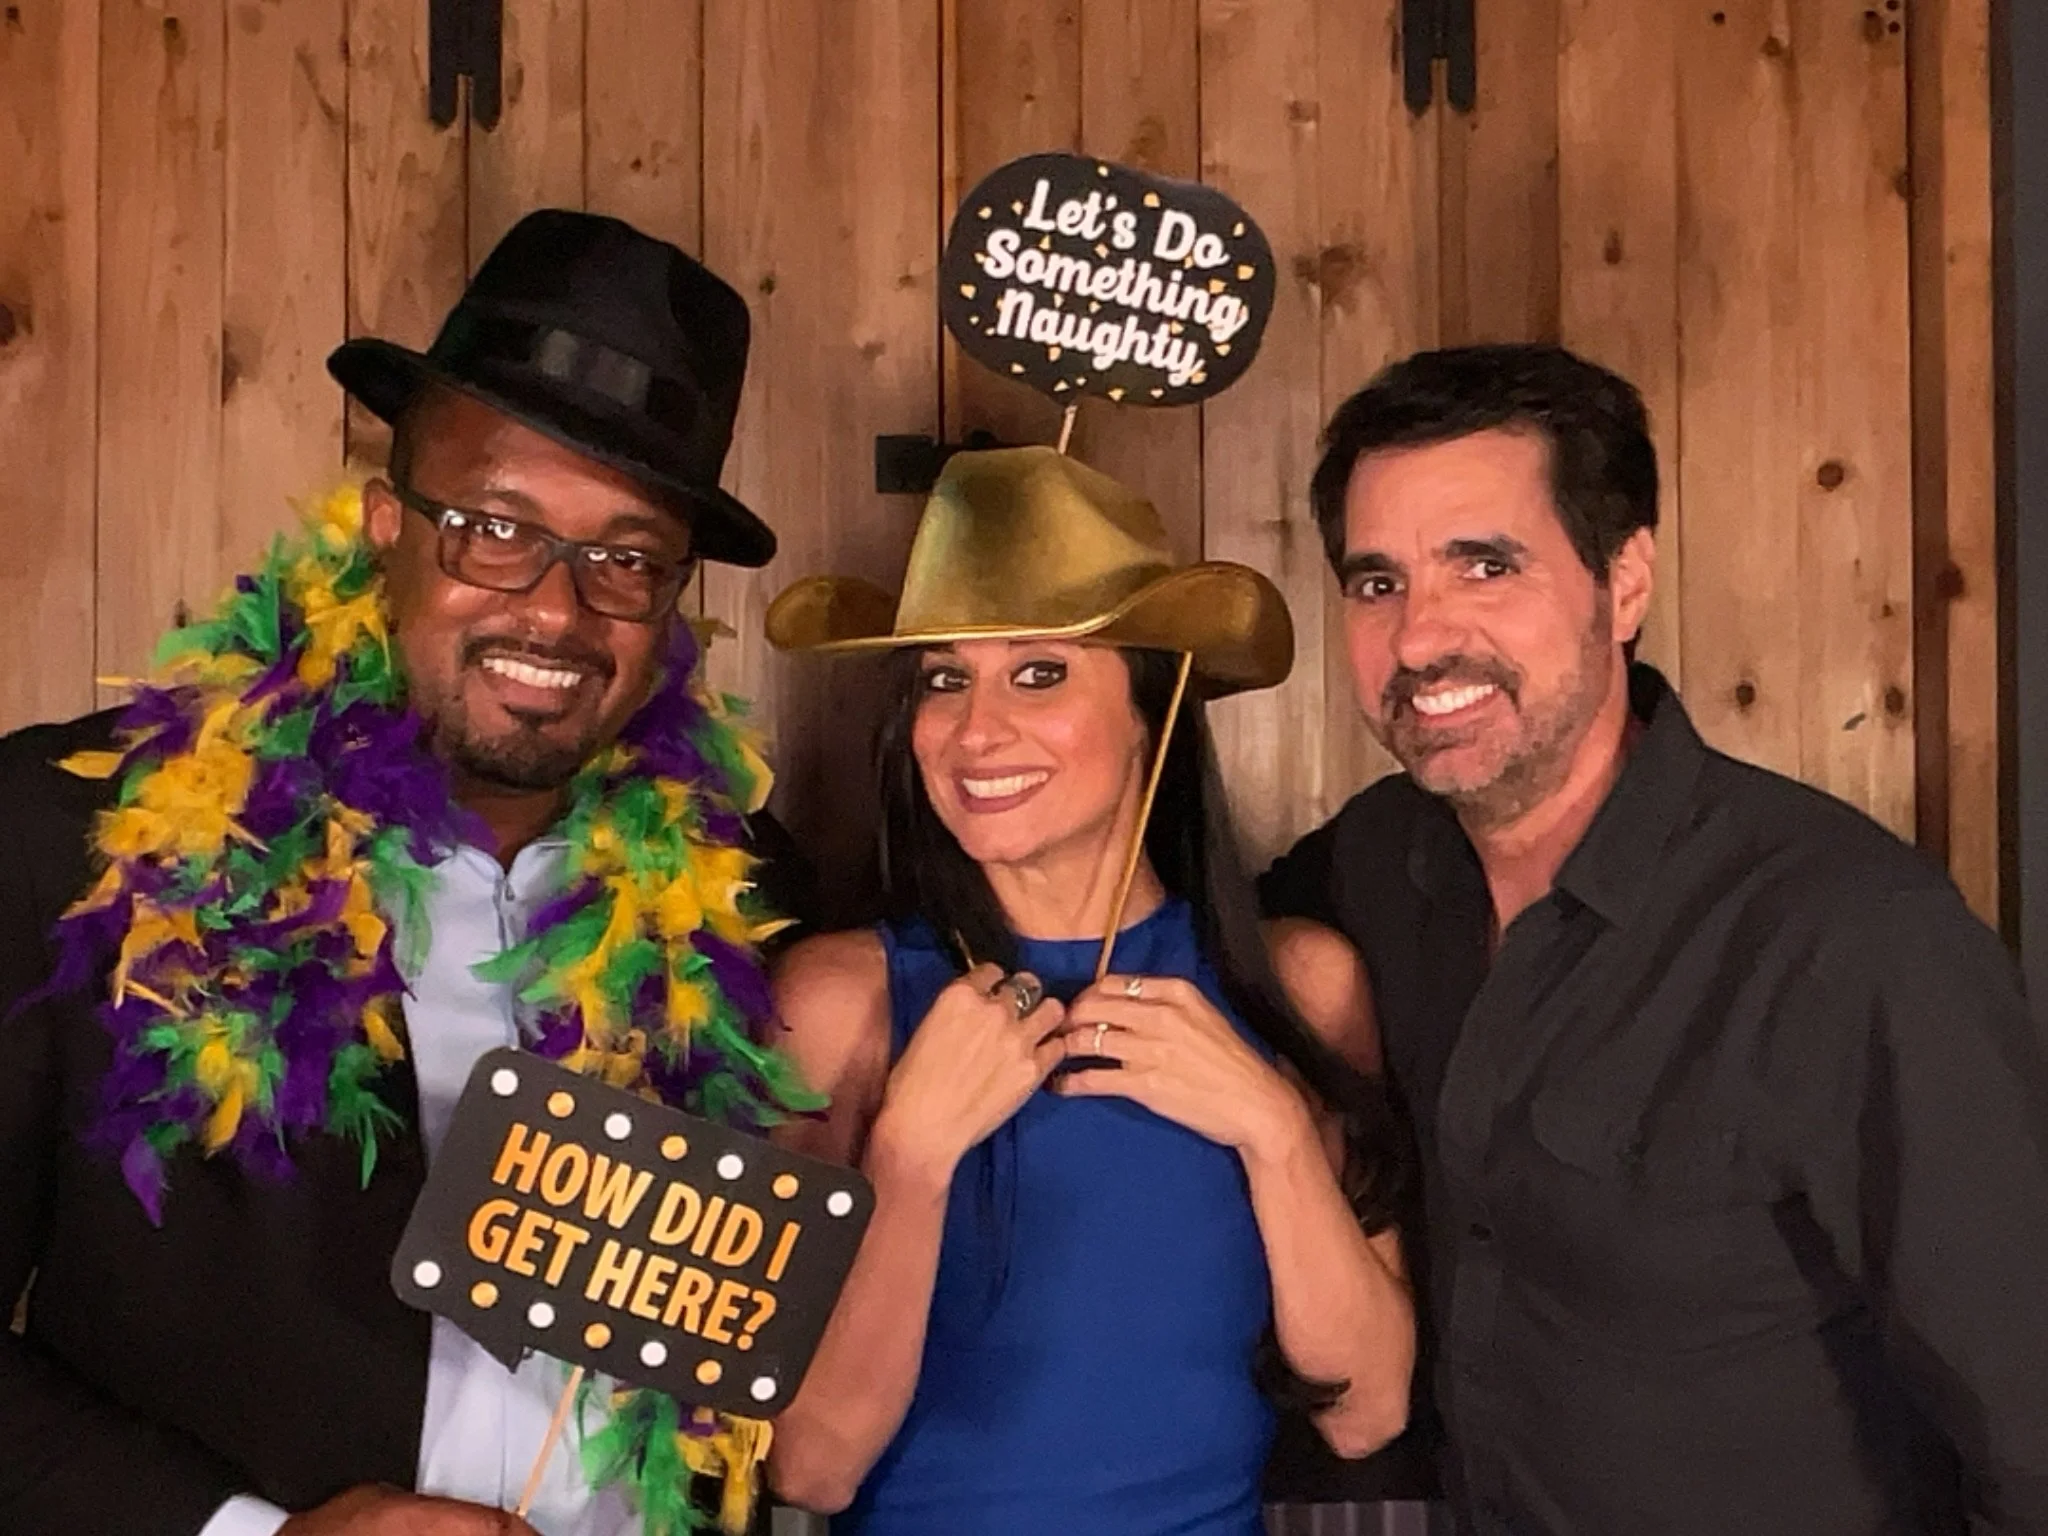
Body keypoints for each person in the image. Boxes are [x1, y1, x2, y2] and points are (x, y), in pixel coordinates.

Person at [0, 210, 815, 1536]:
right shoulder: (81, 838)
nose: (556, 610)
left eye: (625, 557)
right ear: (387, 520)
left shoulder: (750, 892)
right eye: (497, 528)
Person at [1259, 342, 2048, 1534]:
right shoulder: (1381, 860)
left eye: (1483, 565)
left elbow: (2028, 1424)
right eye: (1377, 583)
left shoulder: (1851, 939)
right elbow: (1174, 932)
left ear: (1622, 583)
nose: (1419, 639)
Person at [754, 445, 1416, 1534]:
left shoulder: (1301, 984)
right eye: (942, 678)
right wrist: (909, 1159)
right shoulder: (838, 1002)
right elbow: (810, 1470)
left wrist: (1273, 1131)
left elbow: (1366, 1410)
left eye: (1039, 671)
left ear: (1149, 712)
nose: (975, 730)